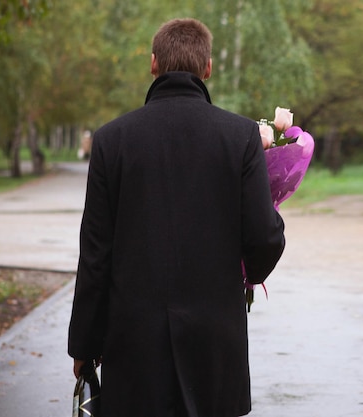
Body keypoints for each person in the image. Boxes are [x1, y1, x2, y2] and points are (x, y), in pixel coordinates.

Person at [68, 18, 286, 417]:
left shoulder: (111, 139)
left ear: (153, 64)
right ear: (207, 68)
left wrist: (83, 346)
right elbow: (264, 239)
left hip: (133, 344)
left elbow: (95, 254)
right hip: (215, 344)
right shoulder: (240, 137)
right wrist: (245, 273)